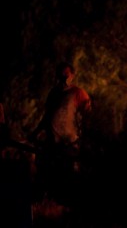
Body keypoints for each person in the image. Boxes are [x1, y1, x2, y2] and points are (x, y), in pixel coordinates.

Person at [28, 62, 91, 207]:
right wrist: (36, 132)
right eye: (61, 75)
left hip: (69, 143)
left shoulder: (78, 93)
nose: (63, 78)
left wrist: (83, 139)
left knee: (69, 177)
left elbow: (87, 116)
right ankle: (46, 203)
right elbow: (47, 116)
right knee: (47, 173)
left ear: (72, 75)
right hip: (52, 142)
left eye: (66, 75)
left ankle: (70, 207)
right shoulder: (53, 93)